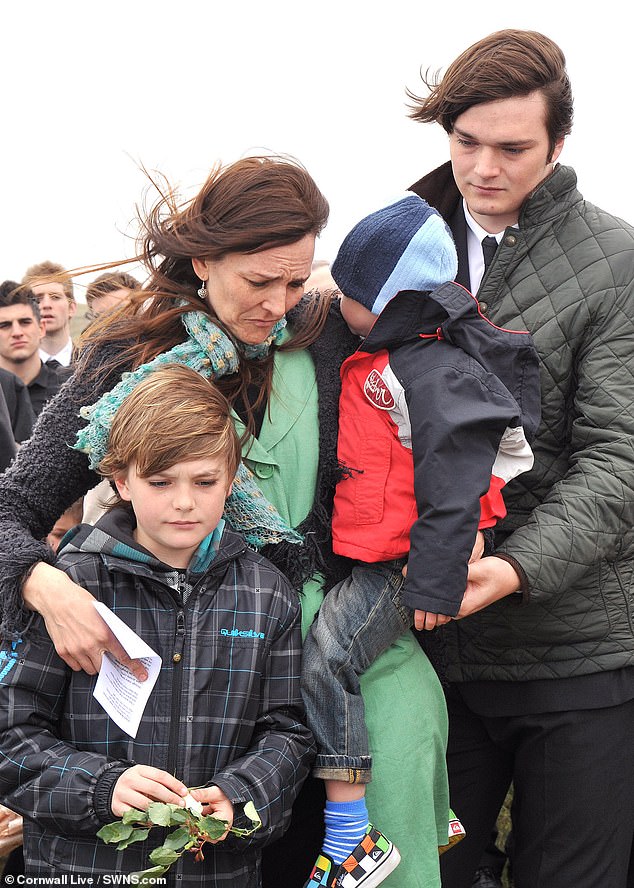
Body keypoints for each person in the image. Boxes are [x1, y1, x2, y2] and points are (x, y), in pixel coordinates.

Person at [0, 155, 444, 888]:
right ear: (204, 259)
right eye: (259, 281)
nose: (279, 303)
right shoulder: (129, 357)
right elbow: (13, 506)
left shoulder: (326, 334)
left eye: (297, 281)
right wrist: (45, 586)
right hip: (204, 697)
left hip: (349, 662)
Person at [404, 28, 634, 888]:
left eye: (512, 148)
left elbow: (619, 462)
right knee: (430, 874)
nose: (484, 168)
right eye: (466, 143)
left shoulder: (616, 264)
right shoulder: (400, 247)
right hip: (427, 653)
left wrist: (511, 571)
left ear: (558, 145)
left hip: (573, 654)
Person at [301, 194, 540, 888]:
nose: (338, 306)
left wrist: (434, 577)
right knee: (399, 678)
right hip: (389, 553)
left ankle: (352, 836)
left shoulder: (427, 369)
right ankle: (436, 812)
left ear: (390, 301)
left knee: (329, 658)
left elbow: (455, 478)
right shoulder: (401, 352)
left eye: (349, 295)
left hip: (406, 565)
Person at [0, 364, 314, 884]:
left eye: (205, 481)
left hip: (217, 872)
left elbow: (288, 730)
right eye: (161, 481)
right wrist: (101, 788)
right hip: (81, 869)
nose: (184, 501)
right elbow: (10, 731)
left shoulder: (267, 592)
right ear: (120, 481)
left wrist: (243, 795)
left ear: (231, 480)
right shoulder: (69, 586)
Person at [0, 281, 73, 415]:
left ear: (41, 328)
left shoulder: (71, 391)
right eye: (4, 325)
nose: (17, 332)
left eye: (25, 322)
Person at [22, 260, 76, 366]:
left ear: (72, 308)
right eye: (36, 298)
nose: (46, 304)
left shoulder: (98, 367)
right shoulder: (7, 373)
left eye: (55, 297)